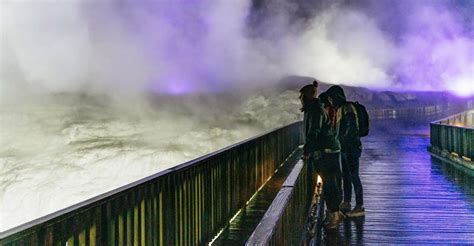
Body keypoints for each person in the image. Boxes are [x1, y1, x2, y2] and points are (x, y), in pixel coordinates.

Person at [300, 81, 344, 229]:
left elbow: (314, 131)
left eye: (301, 96)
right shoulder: (315, 108)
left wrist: (306, 151)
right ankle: (335, 213)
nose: (300, 99)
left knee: (330, 182)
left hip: (326, 151)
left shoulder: (314, 109)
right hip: (328, 149)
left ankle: (335, 216)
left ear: (305, 96)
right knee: (331, 182)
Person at [325, 85, 365, 217]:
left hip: (351, 148)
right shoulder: (342, 108)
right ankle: (347, 203)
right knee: (347, 176)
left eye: (331, 98)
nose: (330, 101)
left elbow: (350, 128)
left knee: (354, 176)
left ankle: (359, 206)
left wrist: (342, 140)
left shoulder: (346, 108)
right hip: (346, 148)